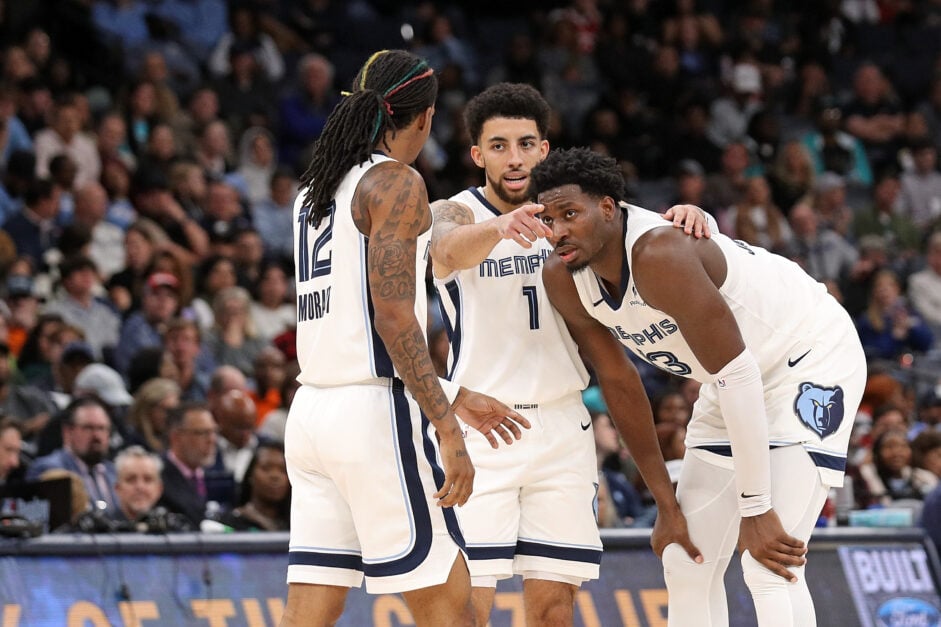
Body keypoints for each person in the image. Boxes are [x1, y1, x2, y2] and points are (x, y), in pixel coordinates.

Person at [531, 146, 867, 626]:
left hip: (806, 357)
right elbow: (621, 385)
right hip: (728, 376)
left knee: (768, 561)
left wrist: (756, 506)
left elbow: (741, 375)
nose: (558, 230)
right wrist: (664, 503)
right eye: (548, 219)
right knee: (684, 557)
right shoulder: (562, 277)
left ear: (608, 207)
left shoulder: (659, 252)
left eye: (570, 214)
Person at [428, 81, 710, 626]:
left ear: (544, 150)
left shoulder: (572, 211)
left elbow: (641, 229)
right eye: (500, 145)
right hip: (482, 430)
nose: (515, 158)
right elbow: (443, 247)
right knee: (467, 609)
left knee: (555, 610)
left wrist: (699, 217)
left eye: (526, 144)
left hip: (562, 426)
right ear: (477, 154)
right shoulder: (456, 211)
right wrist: (500, 226)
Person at [282, 49, 529, 627]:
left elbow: (350, 326)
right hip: (372, 419)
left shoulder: (312, 193)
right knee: (455, 613)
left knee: (307, 615)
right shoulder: (394, 182)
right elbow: (393, 319)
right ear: (424, 118)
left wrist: (454, 395)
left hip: (313, 415)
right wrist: (446, 426)